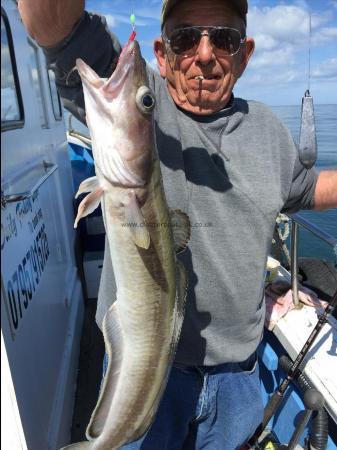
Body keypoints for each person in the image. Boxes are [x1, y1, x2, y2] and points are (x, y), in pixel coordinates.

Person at [18, 1, 337, 449]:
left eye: (223, 38)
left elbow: (306, 189)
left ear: (243, 55)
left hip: (238, 378)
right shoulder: (142, 100)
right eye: (185, 38)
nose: (204, 54)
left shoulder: (268, 128)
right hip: (146, 369)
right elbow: (49, 22)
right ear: (163, 55)